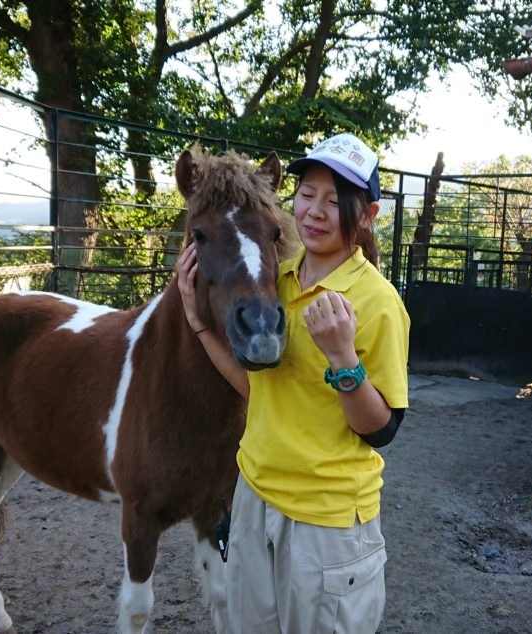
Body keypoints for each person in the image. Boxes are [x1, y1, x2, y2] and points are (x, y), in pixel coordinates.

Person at [177, 133, 410, 634]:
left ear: (367, 215)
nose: (316, 211)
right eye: (307, 194)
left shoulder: (377, 301)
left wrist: (343, 359)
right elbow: (255, 388)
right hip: (254, 499)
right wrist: (197, 324)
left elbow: (382, 429)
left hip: (325, 521)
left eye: (336, 201)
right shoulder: (276, 283)